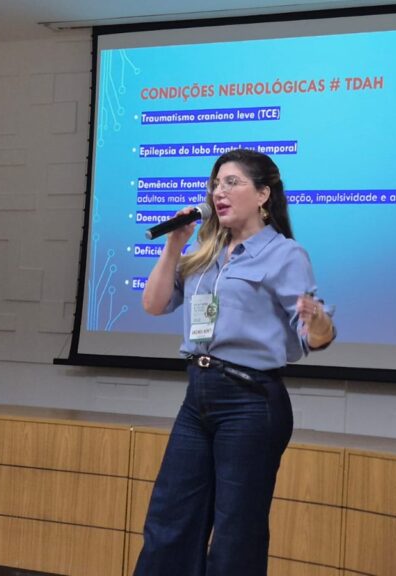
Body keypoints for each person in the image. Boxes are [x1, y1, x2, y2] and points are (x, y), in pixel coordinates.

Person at [134, 149, 335, 575]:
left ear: (263, 195)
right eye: (215, 184)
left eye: (232, 183)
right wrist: (175, 244)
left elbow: (313, 336)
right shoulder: (205, 252)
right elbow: (153, 304)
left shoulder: (285, 254)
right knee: (169, 519)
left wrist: (318, 323)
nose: (218, 192)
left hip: (250, 401)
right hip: (198, 397)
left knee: (235, 533)